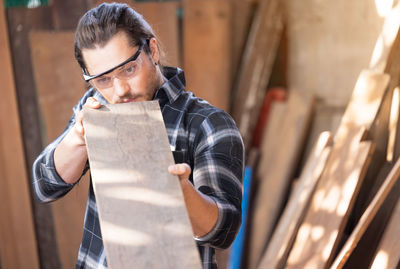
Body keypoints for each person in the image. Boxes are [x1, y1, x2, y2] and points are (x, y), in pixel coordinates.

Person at [32, 3, 244, 269]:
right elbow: (44, 186)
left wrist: (181, 193)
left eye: (128, 69)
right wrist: (78, 138)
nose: (120, 90)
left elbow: (224, 232)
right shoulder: (97, 106)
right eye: (103, 80)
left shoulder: (209, 124)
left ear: (152, 50)